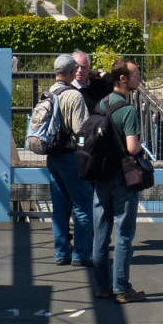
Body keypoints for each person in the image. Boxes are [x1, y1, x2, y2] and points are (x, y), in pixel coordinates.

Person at [92, 58, 147, 304]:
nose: (139, 78)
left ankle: (102, 286)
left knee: (101, 234)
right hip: (122, 178)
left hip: (100, 175)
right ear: (123, 79)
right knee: (124, 234)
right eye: (136, 74)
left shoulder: (101, 104)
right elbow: (132, 147)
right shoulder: (128, 110)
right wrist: (142, 148)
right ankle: (122, 289)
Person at [45, 54, 94, 266]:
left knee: (59, 208)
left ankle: (61, 252)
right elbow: (81, 131)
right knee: (83, 207)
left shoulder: (49, 93)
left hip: (52, 156)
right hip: (71, 157)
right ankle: (81, 254)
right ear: (73, 71)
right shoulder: (74, 96)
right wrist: (85, 151)